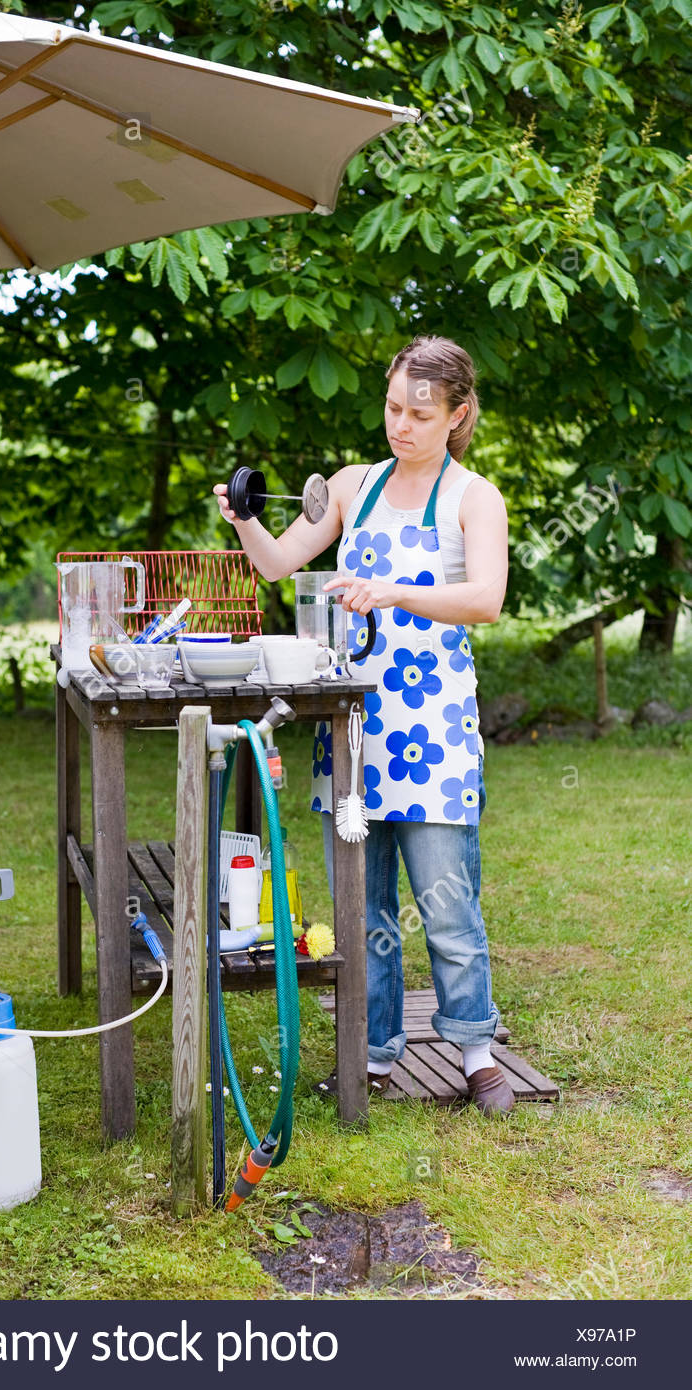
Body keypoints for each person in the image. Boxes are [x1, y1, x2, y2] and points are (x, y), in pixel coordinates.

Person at [213, 333, 513, 1115]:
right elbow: (280, 564)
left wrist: (392, 590)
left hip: (438, 729)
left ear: (456, 415)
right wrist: (243, 517)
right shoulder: (354, 487)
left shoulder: (472, 498)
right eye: (391, 407)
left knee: (447, 902)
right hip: (353, 729)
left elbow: (484, 599)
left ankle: (476, 1052)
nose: (400, 425)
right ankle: (372, 1056)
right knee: (362, 908)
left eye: (419, 412)